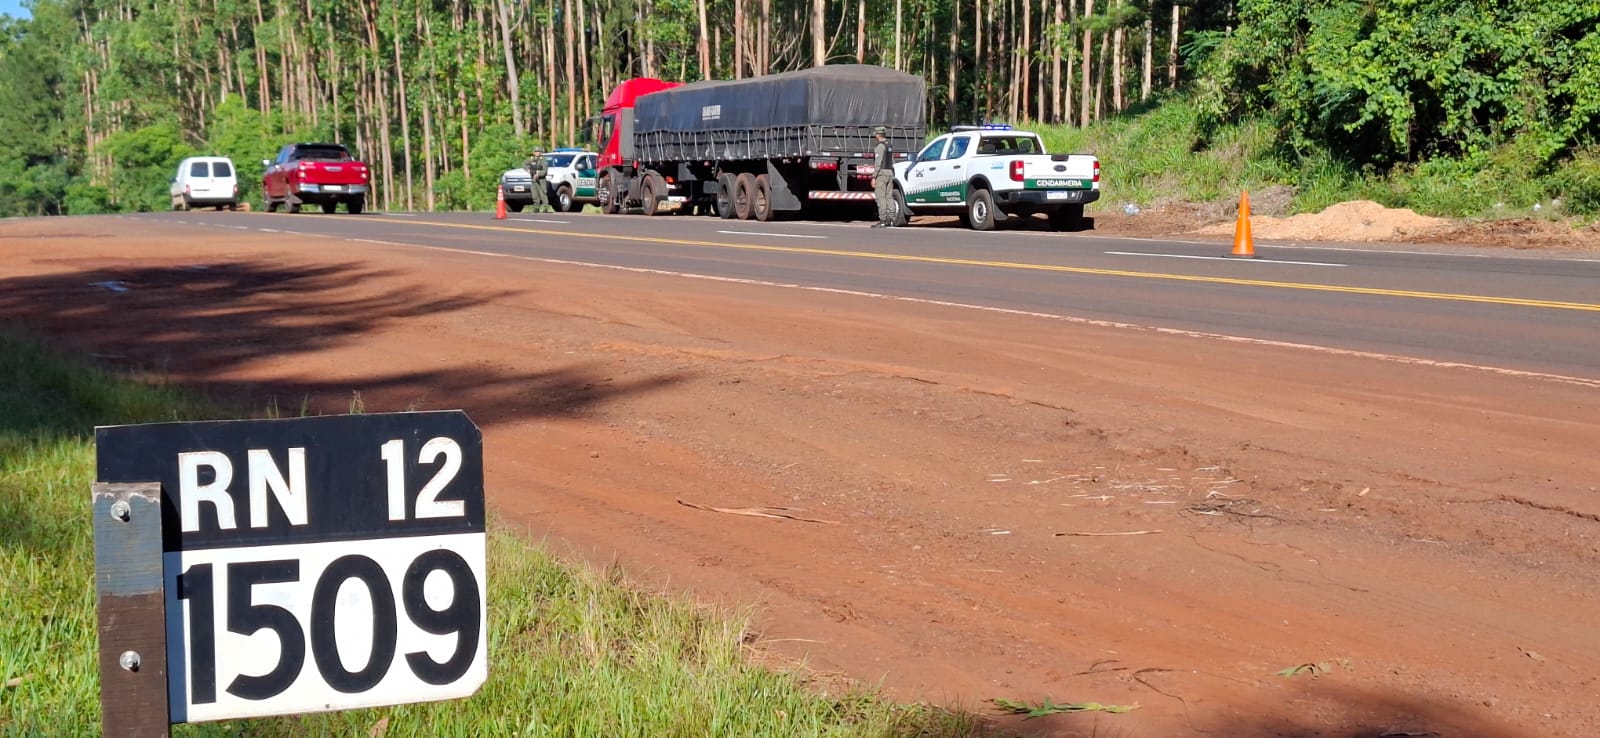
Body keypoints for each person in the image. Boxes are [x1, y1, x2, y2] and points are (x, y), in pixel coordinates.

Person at [871, 126, 896, 228]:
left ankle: (883, 220)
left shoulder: (880, 147)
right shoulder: (889, 145)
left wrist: (874, 176)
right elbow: (892, 161)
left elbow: (878, 162)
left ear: (878, 135)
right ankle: (891, 218)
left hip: (882, 174)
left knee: (881, 197)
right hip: (890, 173)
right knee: (889, 196)